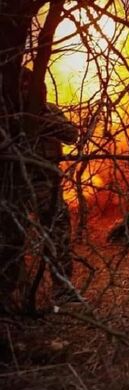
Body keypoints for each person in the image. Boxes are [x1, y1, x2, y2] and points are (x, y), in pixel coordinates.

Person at [1, 68, 81, 312]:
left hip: (48, 182)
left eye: (31, 86)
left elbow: (71, 135)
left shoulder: (50, 110)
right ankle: (7, 295)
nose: (28, 90)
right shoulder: (7, 115)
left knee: (58, 234)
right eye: (22, 86)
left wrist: (40, 118)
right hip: (15, 184)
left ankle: (63, 289)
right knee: (13, 238)